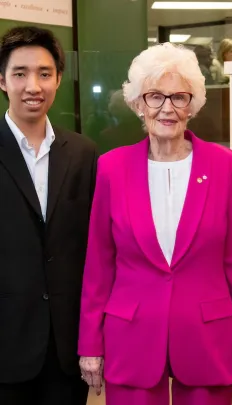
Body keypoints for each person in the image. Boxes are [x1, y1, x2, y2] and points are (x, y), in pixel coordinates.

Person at [78, 42, 232, 405]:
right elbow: (99, 264)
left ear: (191, 104)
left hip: (208, 334)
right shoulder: (111, 168)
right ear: (137, 103)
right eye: (154, 96)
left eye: (179, 97)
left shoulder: (225, 166)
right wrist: (90, 343)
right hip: (130, 333)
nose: (167, 108)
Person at [0, 26, 98, 405]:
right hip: (6, 344)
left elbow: (92, 247)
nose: (33, 86)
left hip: (66, 347)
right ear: (3, 81)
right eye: (19, 73)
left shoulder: (83, 153)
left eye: (44, 73)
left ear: (58, 77)